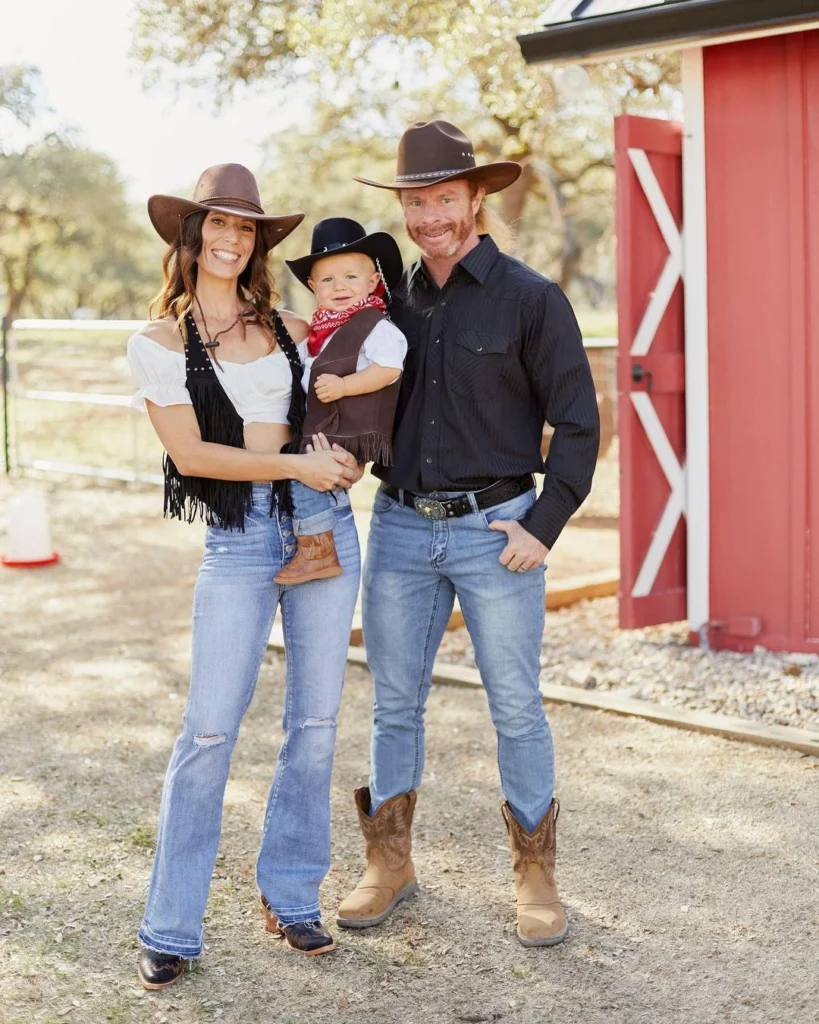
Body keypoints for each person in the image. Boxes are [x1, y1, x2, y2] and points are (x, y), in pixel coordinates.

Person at [337, 121, 600, 947]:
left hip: (498, 530)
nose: (430, 216)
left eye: (445, 198)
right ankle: (389, 863)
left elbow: (581, 425)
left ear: (476, 199)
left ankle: (535, 873)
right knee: (392, 705)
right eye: (416, 202)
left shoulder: (531, 297)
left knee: (517, 707)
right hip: (402, 529)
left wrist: (542, 524)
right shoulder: (391, 306)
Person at [126, 163, 363, 989]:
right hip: (239, 539)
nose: (230, 239)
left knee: (316, 724)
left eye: (244, 227)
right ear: (189, 238)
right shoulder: (159, 343)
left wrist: (345, 457)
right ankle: (170, 925)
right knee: (209, 730)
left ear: (258, 240)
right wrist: (299, 466)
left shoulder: (296, 325)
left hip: (324, 530)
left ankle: (292, 896)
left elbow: (350, 406)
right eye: (214, 225)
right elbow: (191, 455)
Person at [274, 217, 407, 585]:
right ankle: (312, 540)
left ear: (372, 282)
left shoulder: (375, 326)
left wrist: (346, 387)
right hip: (327, 422)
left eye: (351, 277)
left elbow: (388, 369)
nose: (340, 287)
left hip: (351, 424)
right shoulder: (319, 332)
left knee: (309, 474)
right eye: (328, 280)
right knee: (308, 473)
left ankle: (316, 549)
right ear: (313, 287)